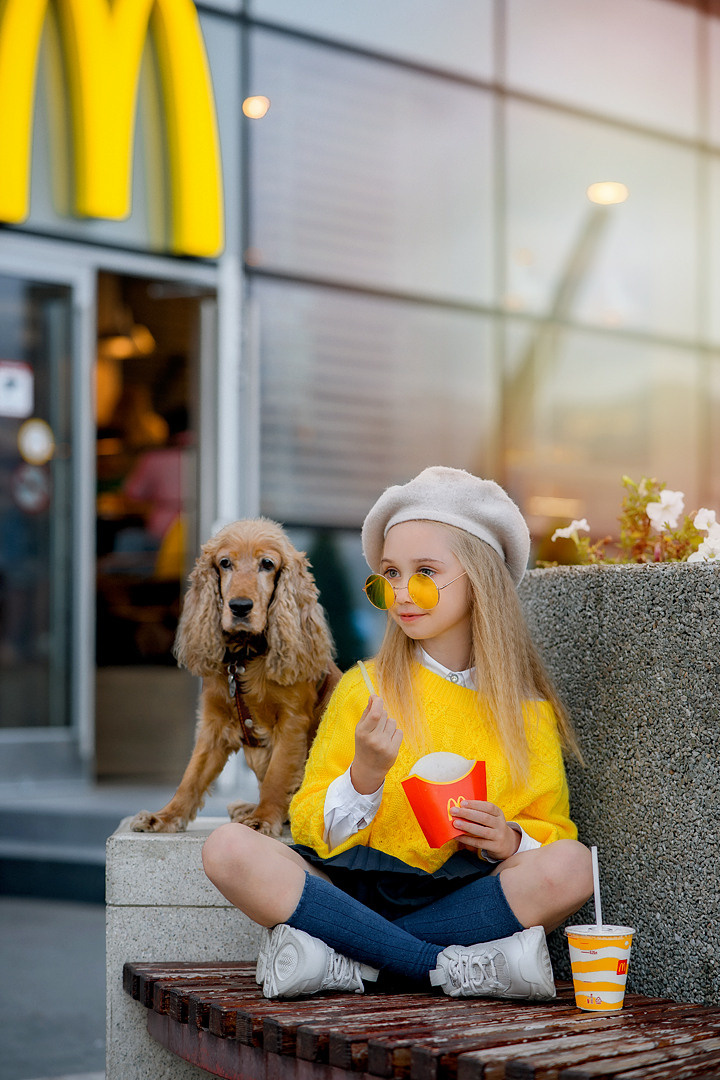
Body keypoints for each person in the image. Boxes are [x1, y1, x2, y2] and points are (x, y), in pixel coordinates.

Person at [202, 467, 593, 1000]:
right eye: (389, 575)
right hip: (348, 890)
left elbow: (553, 831)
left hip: (460, 897)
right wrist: (363, 776)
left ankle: (348, 960)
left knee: (573, 866)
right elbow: (310, 827)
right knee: (227, 848)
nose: (402, 593)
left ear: (480, 580)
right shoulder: (363, 687)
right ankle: (443, 967)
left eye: (425, 572)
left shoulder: (527, 712)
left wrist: (508, 840)